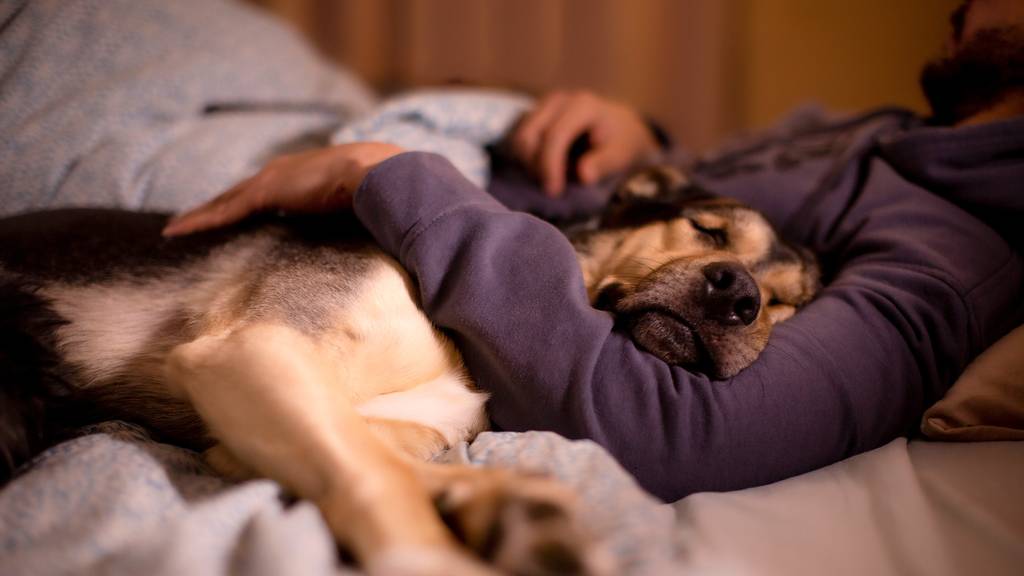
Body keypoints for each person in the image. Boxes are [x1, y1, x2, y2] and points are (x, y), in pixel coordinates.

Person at [164, 0, 1024, 502]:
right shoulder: (887, 132)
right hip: (438, 174)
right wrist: (641, 140)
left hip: (368, 218)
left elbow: (678, 433)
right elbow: (678, 195)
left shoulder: (958, 254)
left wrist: (392, 176)